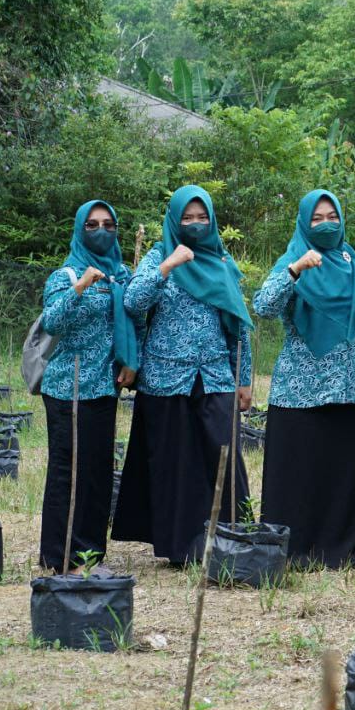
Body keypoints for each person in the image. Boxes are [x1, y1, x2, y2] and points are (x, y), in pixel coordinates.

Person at [113, 185, 253, 567]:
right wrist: (168, 265)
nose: (194, 224)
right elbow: (133, 301)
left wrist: (245, 377)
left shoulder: (221, 262)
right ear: (175, 221)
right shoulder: (161, 254)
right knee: (175, 462)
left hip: (215, 375)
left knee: (222, 452)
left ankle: (231, 539)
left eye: (201, 217)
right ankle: (181, 548)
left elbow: (239, 325)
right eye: (186, 218)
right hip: (165, 377)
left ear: (211, 220)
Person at [254, 189, 355, 570]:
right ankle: (294, 550)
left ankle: (344, 549)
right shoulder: (291, 259)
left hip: (344, 384)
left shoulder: (350, 261)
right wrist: (295, 271)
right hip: (298, 386)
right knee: (298, 469)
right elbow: (263, 306)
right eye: (317, 218)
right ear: (304, 223)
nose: (326, 224)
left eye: (332, 217)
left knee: (339, 470)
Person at [37, 200, 141, 573]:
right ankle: (58, 554)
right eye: (93, 225)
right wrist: (80, 287)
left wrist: (132, 361)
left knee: (97, 470)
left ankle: (90, 553)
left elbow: (134, 320)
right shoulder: (64, 275)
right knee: (68, 469)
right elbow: (51, 322)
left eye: (108, 224)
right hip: (67, 386)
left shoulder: (121, 275)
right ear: (81, 230)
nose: (101, 231)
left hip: (103, 385)